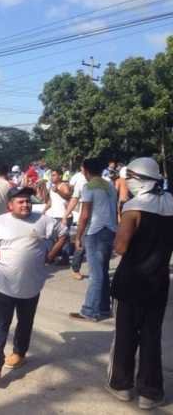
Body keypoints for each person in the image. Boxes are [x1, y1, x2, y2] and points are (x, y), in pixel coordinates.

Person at [0, 186, 67, 380]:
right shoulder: (0, 222)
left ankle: (19, 353)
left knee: (25, 322)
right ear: (10, 205)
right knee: (1, 323)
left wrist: (51, 255)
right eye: (20, 201)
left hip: (31, 286)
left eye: (28, 201)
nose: (25, 204)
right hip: (4, 286)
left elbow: (63, 233)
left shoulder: (43, 221)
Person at [105, 157, 173, 410]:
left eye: (131, 177)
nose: (128, 181)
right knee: (151, 336)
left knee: (125, 334)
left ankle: (121, 386)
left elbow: (121, 247)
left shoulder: (134, 207)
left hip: (132, 279)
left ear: (141, 179)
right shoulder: (171, 203)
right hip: (158, 280)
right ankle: (150, 393)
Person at [70, 158, 117, 322]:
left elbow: (84, 215)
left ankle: (90, 310)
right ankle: (104, 308)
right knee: (103, 271)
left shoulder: (88, 187)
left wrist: (78, 236)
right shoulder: (109, 185)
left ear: (85, 170)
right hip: (110, 230)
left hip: (95, 231)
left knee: (95, 274)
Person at [62, 165, 88, 280]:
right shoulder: (80, 181)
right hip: (85, 217)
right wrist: (66, 215)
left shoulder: (105, 182)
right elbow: (74, 198)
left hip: (102, 221)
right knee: (81, 244)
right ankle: (75, 268)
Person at [43, 169, 72, 264]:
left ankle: (65, 259)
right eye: (51, 175)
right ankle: (55, 256)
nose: (52, 177)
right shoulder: (53, 187)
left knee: (64, 238)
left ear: (60, 176)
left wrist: (58, 191)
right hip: (54, 216)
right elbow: (51, 201)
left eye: (54, 175)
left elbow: (68, 197)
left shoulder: (63, 185)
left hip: (63, 216)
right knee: (53, 237)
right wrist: (44, 210)